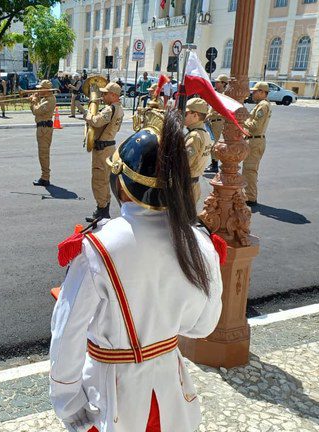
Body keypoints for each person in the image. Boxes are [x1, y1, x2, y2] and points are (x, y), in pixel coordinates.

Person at [49, 108, 223, 432]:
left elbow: (66, 337)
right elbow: (202, 326)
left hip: (113, 400)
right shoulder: (199, 242)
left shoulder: (97, 249)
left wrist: (71, 409)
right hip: (174, 398)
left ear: (123, 186)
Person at [85, 82, 125, 222]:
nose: (103, 95)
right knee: (104, 180)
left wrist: (88, 114)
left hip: (103, 149)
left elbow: (95, 122)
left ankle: (102, 211)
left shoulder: (110, 109)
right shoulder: (119, 108)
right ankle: (103, 209)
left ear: (114, 95)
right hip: (109, 147)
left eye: (106, 93)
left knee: (99, 180)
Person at [243, 82, 272, 207]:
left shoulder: (263, 106)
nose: (252, 94)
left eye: (255, 91)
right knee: (249, 169)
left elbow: (255, 126)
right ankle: (248, 194)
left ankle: (250, 197)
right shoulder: (262, 105)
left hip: (255, 140)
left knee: (250, 170)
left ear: (261, 92)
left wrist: (243, 119)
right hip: (254, 140)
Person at [184, 98, 212, 206]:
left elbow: (184, 163)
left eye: (186, 113)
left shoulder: (194, 136)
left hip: (186, 186)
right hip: (193, 183)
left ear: (195, 115)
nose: (183, 116)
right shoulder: (204, 133)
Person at [30, 80, 57, 187]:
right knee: (42, 154)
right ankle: (44, 176)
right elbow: (36, 111)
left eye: (41, 88)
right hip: (43, 128)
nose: (38, 90)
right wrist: (34, 101)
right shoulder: (45, 99)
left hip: (44, 129)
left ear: (46, 90)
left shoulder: (49, 100)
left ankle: (45, 178)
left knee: (43, 154)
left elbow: (36, 111)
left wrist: (34, 101)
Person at [205, 74, 229, 173]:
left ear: (223, 83)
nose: (216, 83)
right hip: (212, 121)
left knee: (214, 144)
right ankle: (213, 163)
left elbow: (222, 111)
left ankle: (215, 165)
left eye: (218, 82)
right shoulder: (216, 94)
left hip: (218, 121)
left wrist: (210, 115)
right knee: (212, 143)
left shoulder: (224, 96)